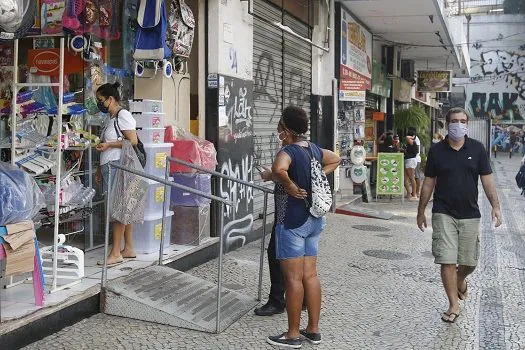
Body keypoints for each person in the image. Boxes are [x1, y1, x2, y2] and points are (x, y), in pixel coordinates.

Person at [262, 106, 340, 348]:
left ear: (286, 129)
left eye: (279, 125)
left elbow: (279, 168)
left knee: (293, 279)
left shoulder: (288, 150)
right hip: (314, 221)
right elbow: (336, 158)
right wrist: (314, 176)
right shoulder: (314, 149)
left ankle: (293, 334)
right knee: (310, 276)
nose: (278, 129)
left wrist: (290, 185)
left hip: (292, 222)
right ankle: (313, 330)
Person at [417, 107, 502, 323]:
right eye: (454, 121)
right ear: (447, 124)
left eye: (462, 121)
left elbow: (488, 180)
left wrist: (496, 206)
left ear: (468, 124)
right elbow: (428, 184)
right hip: (443, 211)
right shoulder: (436, 151)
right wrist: (421, 211)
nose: (458, 124)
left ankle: (461, 278)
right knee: (446, 259)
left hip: (470, 213)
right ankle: (453, 305)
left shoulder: (478, 149)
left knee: (469, 261)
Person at [95, 82, 138, 265]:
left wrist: (109, 145)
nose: (99, 103)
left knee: (117, 209)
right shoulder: (111, 118)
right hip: (109, 165)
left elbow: (133, 141)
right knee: (123, 207)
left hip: (118, 166)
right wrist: (99, 167)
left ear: (110, 99)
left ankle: (115, 253)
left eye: (100, 100)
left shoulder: (123, 115)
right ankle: (128, 248)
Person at [403, 132, 419, 200]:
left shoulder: (413, 142)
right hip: (408, 159)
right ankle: (409, 193)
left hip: (411, 160)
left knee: (412, 178)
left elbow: (407, 137)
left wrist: (413, 137)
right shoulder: (411, 143)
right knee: (405, 178)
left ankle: (414, 194)